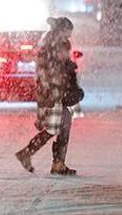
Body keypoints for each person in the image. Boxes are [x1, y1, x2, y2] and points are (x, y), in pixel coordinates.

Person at [15, 17, 82, 175]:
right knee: (55, 127)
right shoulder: (53, 44)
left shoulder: (53, 43)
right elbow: (52, 69)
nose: (69, 36)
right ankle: (31, 154)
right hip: (53, 93)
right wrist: (66, 70)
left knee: (62, 124)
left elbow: (56, 67)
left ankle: (56, 162)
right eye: (68, 33)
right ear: (62, 30)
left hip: (57, 92)